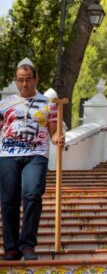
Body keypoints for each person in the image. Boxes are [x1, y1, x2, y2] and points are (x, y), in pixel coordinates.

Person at [0, 62, 64, 261]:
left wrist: (57, 138)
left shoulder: (48, 104)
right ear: (15, 81)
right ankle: (11, 248)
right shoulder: (5, 103)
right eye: (20, 80)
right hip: (7, 155)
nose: (24, 84)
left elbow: (53, 131)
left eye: (28, 79)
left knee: (32, 194)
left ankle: (27, 245)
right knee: (9, 200)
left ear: (36, 79)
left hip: (36, 154)